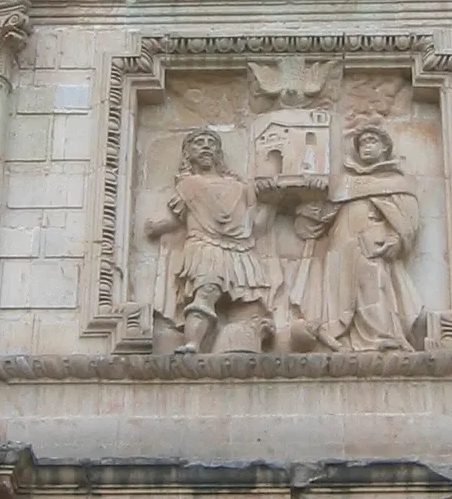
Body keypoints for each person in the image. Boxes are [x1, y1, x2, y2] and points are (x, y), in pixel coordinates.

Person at [290, 125, 426, 352]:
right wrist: (307, 200)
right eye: (362, 143)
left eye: (372, 141)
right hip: (340, 248)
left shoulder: (394, 182)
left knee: (372, 287)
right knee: (339, 294)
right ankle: (340, 339)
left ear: (385, 148)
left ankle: (380, 336)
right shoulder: (345, 183)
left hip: (371, 247)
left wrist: (396, 239)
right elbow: (318, 218)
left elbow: (407, 221)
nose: (367, 146)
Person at [147, 129, 273, 352]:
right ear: (188, 154)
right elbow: (177, 219)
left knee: (249, 305)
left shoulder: (239, 188)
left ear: (219, 152)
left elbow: (255, 226)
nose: (205, 146)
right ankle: (192, 343)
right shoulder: (189, 186)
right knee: (206, 292)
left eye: (210, 143)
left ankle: (242, 345)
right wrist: (156, 227)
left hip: (240, 250)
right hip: (205, 247)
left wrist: (274, 203)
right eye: (198, 143)